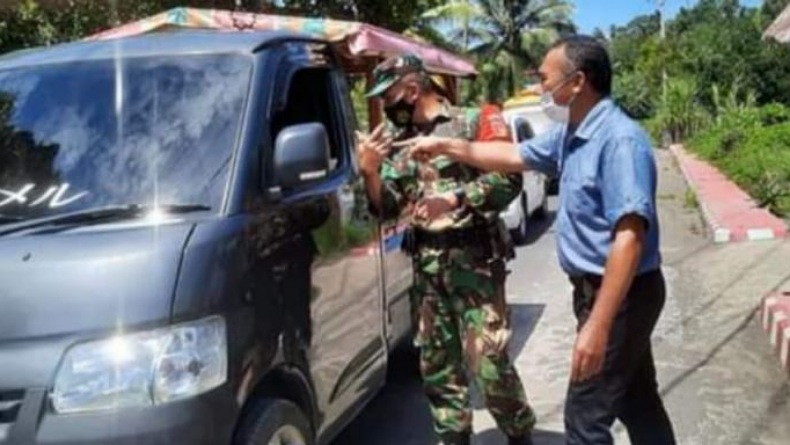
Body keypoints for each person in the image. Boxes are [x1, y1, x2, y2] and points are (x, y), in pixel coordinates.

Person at [404, 36, 677, 445]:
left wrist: (598, 326)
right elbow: (511, 157)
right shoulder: (572, 132)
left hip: (621, 295)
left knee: (584, 419)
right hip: (598, 291)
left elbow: (630, 240)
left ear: (577, 81)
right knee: (637, 402)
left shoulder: (619, 140)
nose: (541, 88)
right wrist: (446, 145)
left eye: (546, 78)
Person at [356, 53, 536, 445]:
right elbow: (386, 207)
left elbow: (509, 179)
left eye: (388, 96)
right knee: (438, 369)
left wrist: (455, 200)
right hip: (428, 271)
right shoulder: (397, 140)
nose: (385, 105)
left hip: (476, 267)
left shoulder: (474, 121)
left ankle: (520, 434)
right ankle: (454, 438)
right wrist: (370, 170)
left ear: (412, 89)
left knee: (489, 365)